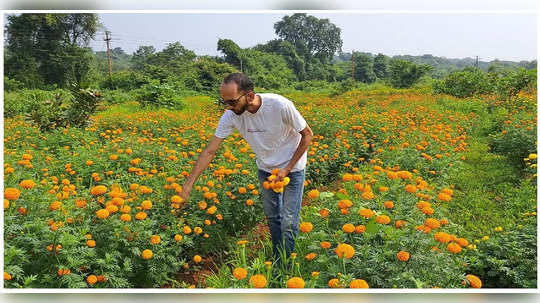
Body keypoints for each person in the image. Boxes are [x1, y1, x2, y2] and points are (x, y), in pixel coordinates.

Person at [179, 72, 313, 265]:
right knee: (273, 217)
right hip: (266, 168)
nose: (227, 107)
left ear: (249, 96)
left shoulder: (280, 105)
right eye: (223, 101)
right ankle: (278, 257)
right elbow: (210, 151)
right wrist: (187, 186)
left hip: (293, 168)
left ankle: (285, 265)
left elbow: (307, 135)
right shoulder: (231, 115)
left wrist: (288, 168)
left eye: (232, 102)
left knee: (289, 220)